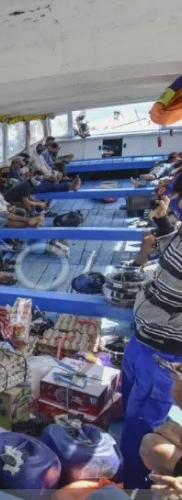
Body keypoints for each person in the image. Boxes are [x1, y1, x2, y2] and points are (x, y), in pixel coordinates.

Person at [121, 176, 182, 489]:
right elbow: (174, 240)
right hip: (142, 341)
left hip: (162, 353)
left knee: (142, 424)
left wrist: (142, 269)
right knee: (128, 399)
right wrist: (163, 220)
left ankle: (134, 483)